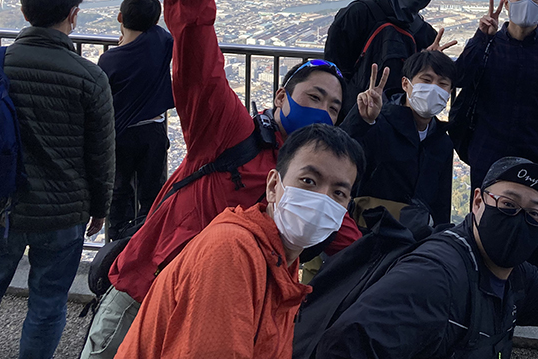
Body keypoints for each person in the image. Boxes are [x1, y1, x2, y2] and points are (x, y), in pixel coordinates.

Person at [81, 0, 360, 359]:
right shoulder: (232, 132)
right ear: (280, 96)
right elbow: (200, 71)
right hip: (151, 284)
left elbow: (347, 236)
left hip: (239, 306)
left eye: (333, 107)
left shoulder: (311, 177)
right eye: (314, 96)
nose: (323, 111)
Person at [315, 156, 538, 359]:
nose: (519, 218)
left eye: (534, 214)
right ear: (478, 201)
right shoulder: (435, 277)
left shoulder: (510, 273)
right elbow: (346, 346)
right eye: (508, 205)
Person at [114, 124, 365, 359]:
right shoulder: (231, 251)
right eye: (309, 181)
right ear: (273, 185)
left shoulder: (279, 261)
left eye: (338, 193)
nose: (321, 199)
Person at [0, 0, 114, 359]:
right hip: (63, 210)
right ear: (73, 15)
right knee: (48, 304)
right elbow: (101, 153)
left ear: (23, 11)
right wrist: (100, 208)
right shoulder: (90, 76)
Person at [454, 0, 538, 271]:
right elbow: (460, 79)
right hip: (487, 157)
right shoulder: (488, 43)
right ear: (506, 1)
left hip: (535, 156)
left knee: (537, 238)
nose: (527, 2)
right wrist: (480, 37)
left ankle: (526, 303)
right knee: (486, 235)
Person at [325, 0, 454, 121]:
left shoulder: (427, 35)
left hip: (398, 125)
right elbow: (333, 67)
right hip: (350, 118)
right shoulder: (361, 13)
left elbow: (420, 87)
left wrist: (427, 62)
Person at [341, 49, 456, 226]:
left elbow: (441, 204)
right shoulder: (378, 122)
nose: (433, 88)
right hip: (371, 231)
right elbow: (340, 151)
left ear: (449, 92)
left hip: (418, 239)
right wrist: (362, 119)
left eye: (442, 84)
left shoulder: (442, 142)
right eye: (426, 80)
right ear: (405, 84)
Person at [98, 0, 174, 240]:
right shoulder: (161, 41)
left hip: (120, 134)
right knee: (153, 193)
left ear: (120, 17)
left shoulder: (109, 60)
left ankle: (117, 244)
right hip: (153, 131)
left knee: (119, 191)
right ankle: (149, 243)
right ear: (154, 22)